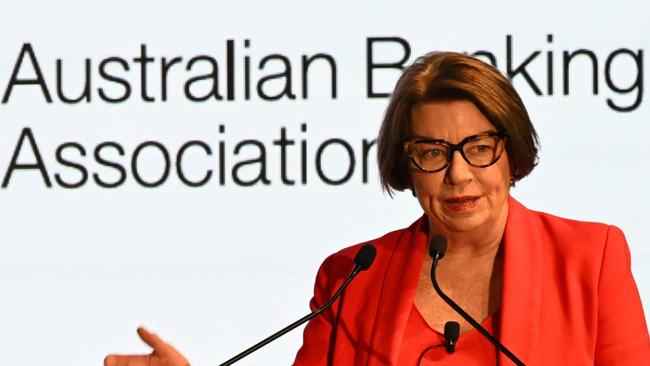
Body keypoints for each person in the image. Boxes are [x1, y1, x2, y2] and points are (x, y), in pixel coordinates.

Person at [105, 52, 650, 366]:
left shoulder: (590, 259)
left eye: (479, 147)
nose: (458, 174)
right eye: (432, 152)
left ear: (511, 154)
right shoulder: (351, 276)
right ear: (406, 166)